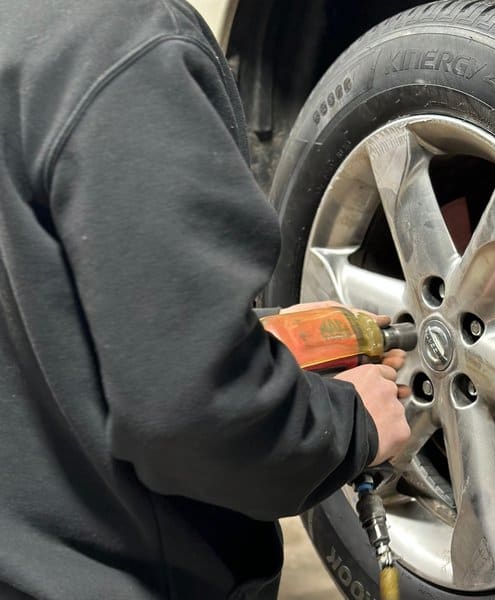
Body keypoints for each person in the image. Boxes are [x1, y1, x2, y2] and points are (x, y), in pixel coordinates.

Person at [0, 0, 411, 598]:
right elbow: (191, 414)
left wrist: (234, 337)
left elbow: (44, 309)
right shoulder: (124, 44)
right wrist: (349, 424)